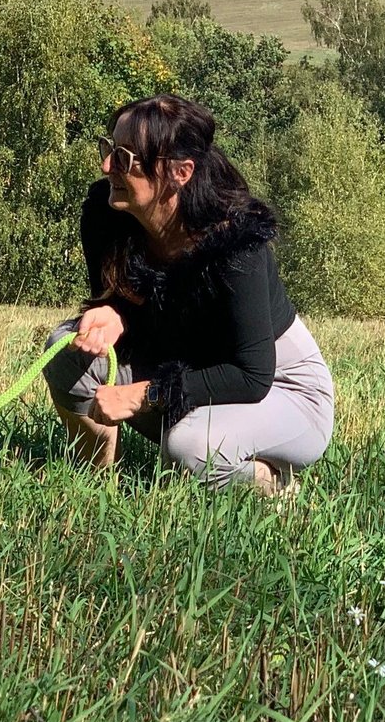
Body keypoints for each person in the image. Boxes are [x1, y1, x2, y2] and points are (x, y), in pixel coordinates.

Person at [42, 94, 336, 493]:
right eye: (109, 149)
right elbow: (116, 301)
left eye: (125, 158)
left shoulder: (235, 244)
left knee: (189, 450)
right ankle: (97, 485)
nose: (107, 166)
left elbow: (252, 375)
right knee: (66, 350)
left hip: (281, 389)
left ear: (180, 172)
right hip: (188, 366)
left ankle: (271, 485)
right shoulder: (107, 212)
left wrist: (146, 395)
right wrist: (110, 310)